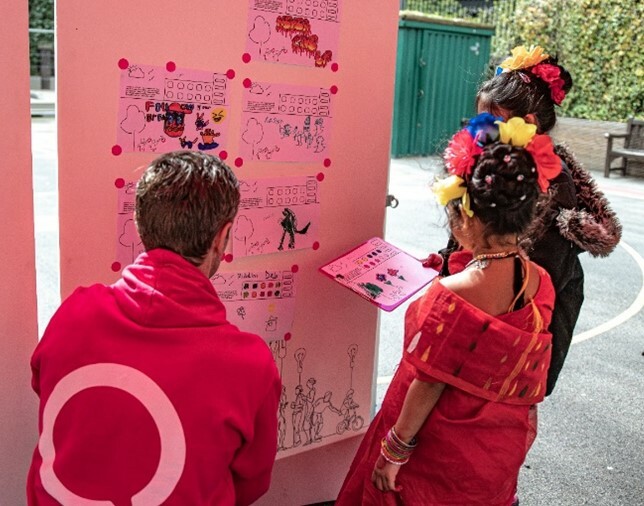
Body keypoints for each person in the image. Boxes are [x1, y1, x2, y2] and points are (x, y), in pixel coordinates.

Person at [27, 151, 281, 505]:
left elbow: (46, 389)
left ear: (140, 223)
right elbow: (251, 482)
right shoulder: (250, 365)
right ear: (222, 237)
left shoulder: (74, 313)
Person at [336, 116, 561, 505]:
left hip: (437, 451)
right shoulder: (540, 281)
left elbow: (428, 383)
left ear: (466, 217)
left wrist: (394, 451)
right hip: (494, 450)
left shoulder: (453, 295)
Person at [428, 45, 622, 395]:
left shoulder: (553, 181)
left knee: (497, 405)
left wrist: (463, 283)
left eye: (493, 121)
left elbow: (534, 282)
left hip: (519, 326)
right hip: (486, 298)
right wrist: (445, 262)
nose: (482, 131)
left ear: (528, 124)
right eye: (480, 121)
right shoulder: (498, 166)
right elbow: (471, 230)